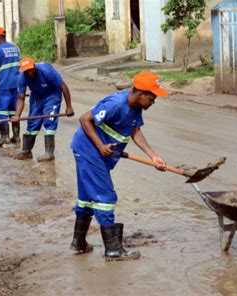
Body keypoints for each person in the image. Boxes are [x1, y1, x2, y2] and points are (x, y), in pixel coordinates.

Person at [69, 72, 168, 261]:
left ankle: (78, 243)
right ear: (140, 94)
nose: (154, 101)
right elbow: (84, 119)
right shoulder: (115, 104)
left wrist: (154, 156)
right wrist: (100, 145)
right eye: (152, 97)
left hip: (97, 154)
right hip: (89, 151)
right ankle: (113, 250)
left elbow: (135, 132)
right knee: (105, 197)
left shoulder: (136, 108)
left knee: (86, 198)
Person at [12, 57, 74, 162]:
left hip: (52, 94)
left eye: (31, 70)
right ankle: (26, 151)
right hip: (37, 96)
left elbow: (63, 87)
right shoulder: (21, 78)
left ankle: (49, 153)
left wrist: (69, 106)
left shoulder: (47, 70)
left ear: (34, 66)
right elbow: (21, 98)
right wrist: (17, 115)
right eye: (27, 71)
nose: (30, 73)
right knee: (32, 122)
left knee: (49, 119)